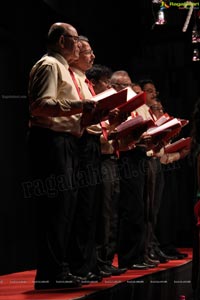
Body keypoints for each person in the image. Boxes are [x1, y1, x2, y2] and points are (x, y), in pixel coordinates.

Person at [27, 22, 96, 290]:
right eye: (74, 38)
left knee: (65, 210)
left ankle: (58, 270)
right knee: (55, 210)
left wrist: (93, 113)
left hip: (66, 141)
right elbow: (39, 106)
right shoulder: (49, 65)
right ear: (60, 40)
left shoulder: (64, 68)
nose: (79, 44)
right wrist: (82, 105)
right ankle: (49, 274)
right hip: (50, 141)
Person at [68, 36, 108, 281]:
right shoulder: (70, 76)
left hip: (92, 143)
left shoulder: (82, 79)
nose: (93, 57)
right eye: (88, 52)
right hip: (80, 143)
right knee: (82, 207)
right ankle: (80, 264)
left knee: (93, 208)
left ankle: (90, 263)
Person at [86, 65, 128, 276]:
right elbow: (101, 137)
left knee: (112, 213)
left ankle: (107, 259)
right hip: (101, 160)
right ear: (94, 84)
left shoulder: (107, 108)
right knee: (102, 213)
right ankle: (99, 261)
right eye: (107, 83)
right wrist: (114, 126)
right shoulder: (96, 106)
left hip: (113, 159)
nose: (110, 87)